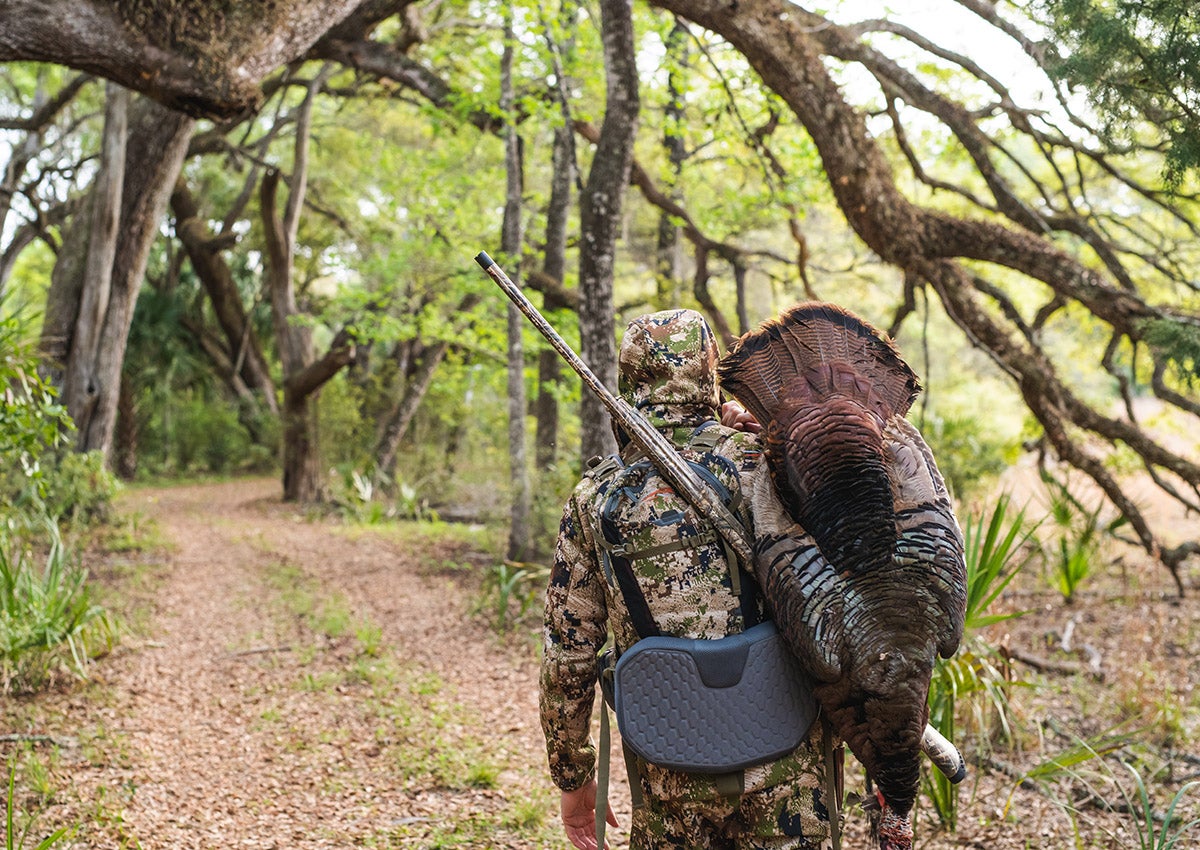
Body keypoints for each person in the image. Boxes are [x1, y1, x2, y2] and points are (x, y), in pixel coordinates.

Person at [539, 308, 836, 850]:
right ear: (710, 374)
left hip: (668, 765)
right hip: (787, 758)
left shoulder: (594, 501)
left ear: (630, 382)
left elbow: (568, 655)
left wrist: (572, 775)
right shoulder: (768, 463)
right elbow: (843, 601)